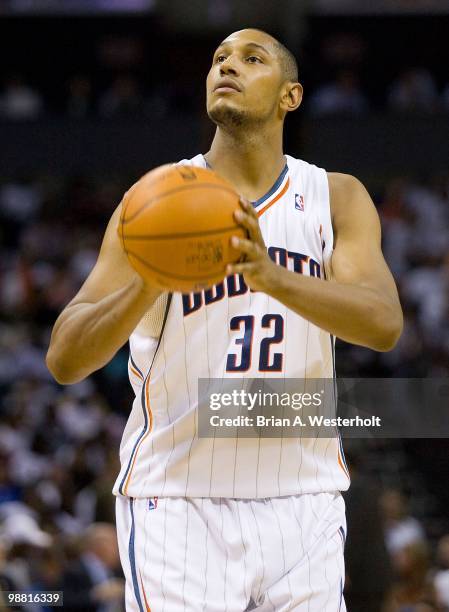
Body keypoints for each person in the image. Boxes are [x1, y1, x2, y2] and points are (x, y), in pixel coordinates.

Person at [46, 28, 403, 611]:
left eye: (251, 58)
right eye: (218, 59)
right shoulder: (152, 201)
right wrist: (150, 279)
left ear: (291, 96)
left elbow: (384, 324)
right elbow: (64, 358)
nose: (227, 66)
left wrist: (271, 276)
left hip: (304, 499)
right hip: (179, 502)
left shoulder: (335, 197)